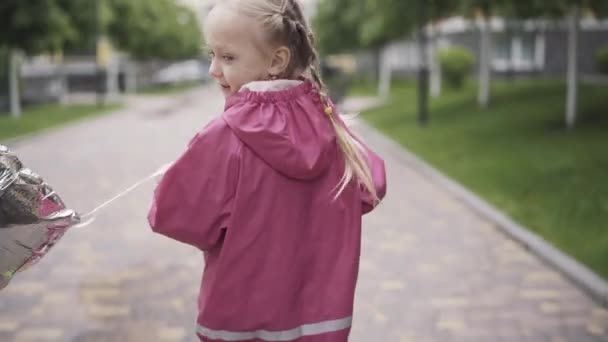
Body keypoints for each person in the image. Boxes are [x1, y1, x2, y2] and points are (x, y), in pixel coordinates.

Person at [148, 0, 386, 340]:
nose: (213, 70)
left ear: (276, 61)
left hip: (241, 327)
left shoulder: (224, 137)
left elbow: (175, 218)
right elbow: (371, 184)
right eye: (211, 55)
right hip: (322, 325)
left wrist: (173, 182)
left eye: (228, 57)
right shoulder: (328, 122)